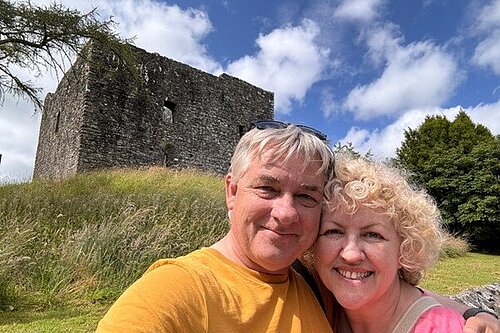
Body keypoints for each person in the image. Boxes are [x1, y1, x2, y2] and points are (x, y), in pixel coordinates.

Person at [96, 120, 498, 333]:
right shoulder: (177, 291)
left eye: (306, 196)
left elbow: (398, 294)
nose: (286, 213)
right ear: (232, 191)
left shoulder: (313, 281)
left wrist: (473, 311)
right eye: (268, 188)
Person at [312, 152, 496, 333]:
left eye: (373, 235)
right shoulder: (315, 301)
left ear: (405, 249)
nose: (350, 254)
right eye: (333, 231)